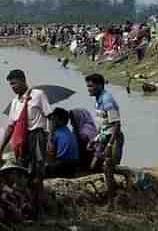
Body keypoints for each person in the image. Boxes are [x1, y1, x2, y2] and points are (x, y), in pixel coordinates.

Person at [0, 70, 51, 218]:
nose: (13, 87)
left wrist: (51, 138)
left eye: (15, 83)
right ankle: (25, 208)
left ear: (23, 80)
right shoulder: (15, 102)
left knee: (38, 173)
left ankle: (39, 210)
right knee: (22, 173)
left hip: (37, 136)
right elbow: (11, 126)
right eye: (10, 85)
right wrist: (2, 147)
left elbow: (50, 116)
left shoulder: (38, 95)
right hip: (22, 140)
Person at [86, 73, 124, 208]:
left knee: (107, 167)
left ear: (100, 85)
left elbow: (116, 125)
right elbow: (104, 125)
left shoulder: (107, 100)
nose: (88, 89)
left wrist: (109, 144)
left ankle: (111, 202)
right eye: (88, 86)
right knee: (94, 166)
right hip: (104, 136)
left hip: (113, 138)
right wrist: (94, 140)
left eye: (91, 86)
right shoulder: (98, 99)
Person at [45, 108, 80, 178]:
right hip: (74, 165)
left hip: (63, 164)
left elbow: (50, 152)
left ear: (59, 120)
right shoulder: (68, 131)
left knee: (40, 170)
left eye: (52, 119)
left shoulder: (56, 133)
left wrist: (51, 131)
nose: (50, 122)